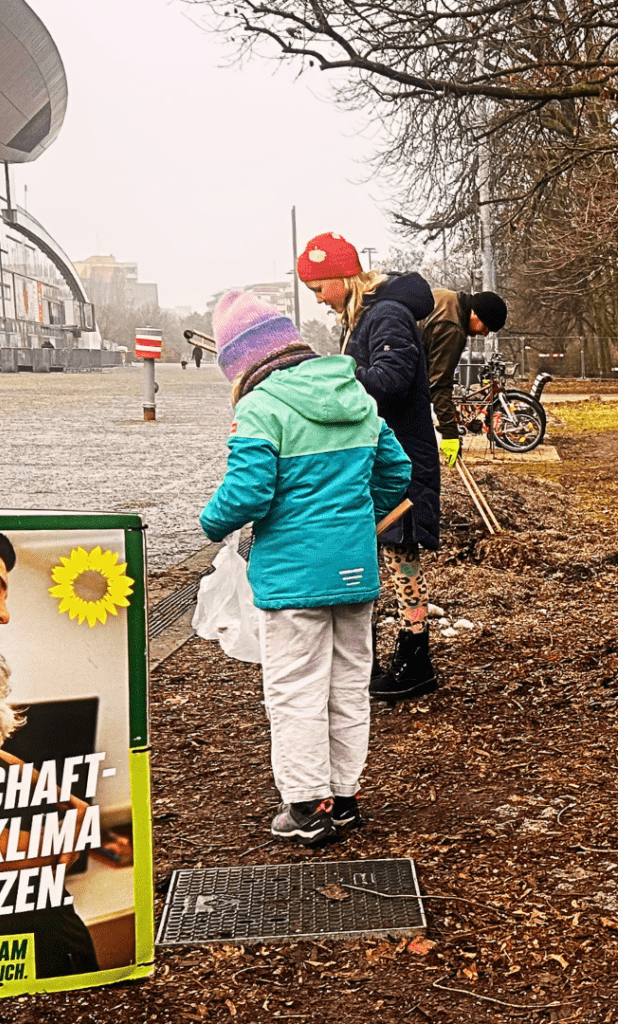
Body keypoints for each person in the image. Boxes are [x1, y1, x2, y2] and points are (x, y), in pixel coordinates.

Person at [200, 291, 411, 846]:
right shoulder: (356, 396)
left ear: (241, 361)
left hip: (293, 577)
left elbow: (246, 493)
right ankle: (344, 798)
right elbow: (396, 471)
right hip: (355, 573)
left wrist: (210, 523)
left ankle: (304, 808)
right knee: (347, 685)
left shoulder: (260, 408)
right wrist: (356, 519)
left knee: (295, 690)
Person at [296, 232, 441, 704]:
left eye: (319, 288)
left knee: (402, 554)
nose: (318, 300)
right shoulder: (368, 316)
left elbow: (391, 382)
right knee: (395, 553)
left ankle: (415, 656)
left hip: (402, 461)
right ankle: (400, 652)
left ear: (341, 277)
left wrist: (333, 376)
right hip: (387, 457)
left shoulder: (387, 315)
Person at [0, 525, 100, 977]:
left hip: (54, 939)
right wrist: (54, 844)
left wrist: (51, 843)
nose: (4, 613)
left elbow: (80, 815)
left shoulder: (3, 760)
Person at [420, 289, 508, 467]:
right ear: (475, 313)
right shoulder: (452, 327)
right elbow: (439, 383)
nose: (484, 334)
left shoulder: (448, 298)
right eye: (486, 326)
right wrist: (450, 434)